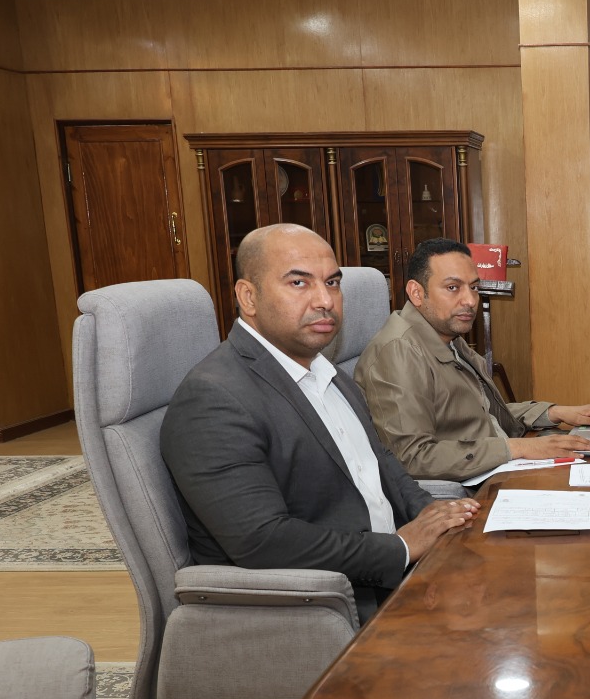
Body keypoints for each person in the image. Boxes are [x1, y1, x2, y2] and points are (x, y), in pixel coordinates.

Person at [161, 224, 478, 622]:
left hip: (399, 574)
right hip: (327, 607)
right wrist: (400, 548)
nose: (325, 300)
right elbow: (264, 541)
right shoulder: (213, 397)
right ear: (248, 297)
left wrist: (437, 517)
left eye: (332, 283)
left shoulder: (325, 371)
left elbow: (380, 461)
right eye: (299, 283)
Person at [356, 238, 590, 483]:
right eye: (453, 287)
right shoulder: (398, 352)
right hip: (473, 488)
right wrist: (519, 448)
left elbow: (483, 414)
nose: (470, 301)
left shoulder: (447, 336)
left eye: (474, 287)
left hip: (495, 466)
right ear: (417, 293)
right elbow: (412, 457)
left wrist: (552, 412)